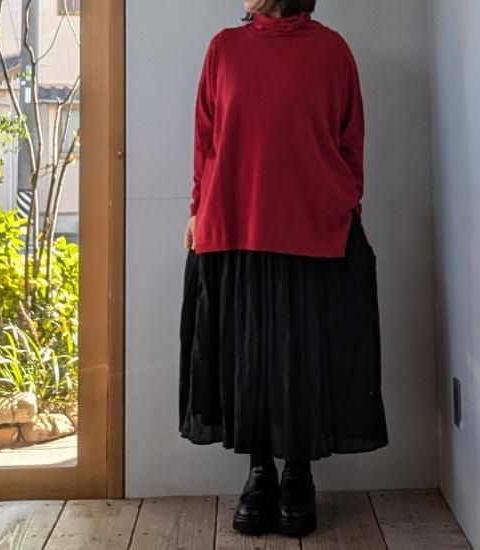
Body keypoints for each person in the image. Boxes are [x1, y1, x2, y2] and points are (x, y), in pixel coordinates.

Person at [178, 0, 389, 538]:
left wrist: (350, 210)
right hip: (236, 222)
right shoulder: (224, 49)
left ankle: (298, 473)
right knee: (247, 356)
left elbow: (350, 141)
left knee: (305, 356)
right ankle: (259, 472)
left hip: (313, 224)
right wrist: (198, 209)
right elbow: (206, 138)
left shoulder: (332, 51)